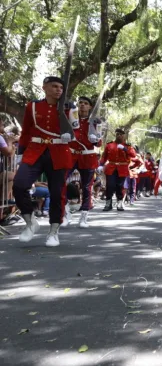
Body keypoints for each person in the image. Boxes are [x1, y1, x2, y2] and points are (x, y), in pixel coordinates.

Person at [12, 75, 74, 247]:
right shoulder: (32, 106)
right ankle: (31, 222)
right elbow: (26, 131)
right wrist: (20, 152)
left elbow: (76, 132)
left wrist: (70, 134)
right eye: (54, 86)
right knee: (19, 185)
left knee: (56, 194)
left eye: (61, 87)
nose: (58, 90)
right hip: (35, 151)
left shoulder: (69, 108)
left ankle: (54, 231)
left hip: (59, 152)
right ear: (44, 88)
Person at [67, 96, 101, 228]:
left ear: (90, 107)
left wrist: (95, 140)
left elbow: (99, 141)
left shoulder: (95, 122)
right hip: (71, 155)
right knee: (60, 181)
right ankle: (65, 211)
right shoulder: (70, 116)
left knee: (87, 187)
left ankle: (84, 216)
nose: (82, 105)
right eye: (80, 103)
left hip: (87, 156)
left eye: (85, 103)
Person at [99, 129, 136, 212]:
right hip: (111, 168)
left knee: (120, 186)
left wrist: (125, 149)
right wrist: (100, 165)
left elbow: (133, 155)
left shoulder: (127, 146)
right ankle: (108, 203)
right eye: (118, 134)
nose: (119, 136)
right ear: (115, 135)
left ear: (124, 136)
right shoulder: (109, 145)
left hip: (122, 168)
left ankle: (119, 202)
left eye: (121, 134)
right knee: (110, 185)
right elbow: (104, 156)